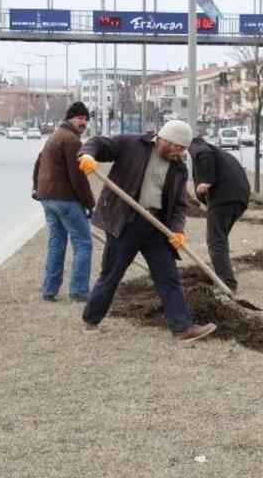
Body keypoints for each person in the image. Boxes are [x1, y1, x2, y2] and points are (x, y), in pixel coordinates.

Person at [76, 120, 217, 342]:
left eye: (184, 150)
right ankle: (90, 320)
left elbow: (180, 204)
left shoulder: (179, 167)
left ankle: (183, 328)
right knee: (112, 275)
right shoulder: (131, 144)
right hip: (125, 223)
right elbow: (97, 144)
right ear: (165, 140)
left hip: (156, 227)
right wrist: (87, 155)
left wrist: (177, 230)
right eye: (178, 147)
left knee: (169, 277)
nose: (180, 153)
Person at [31, 102, 95, 303]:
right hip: (64, 199)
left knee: (57, 242)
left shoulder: (55, 136)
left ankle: (49, 290)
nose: (83, 122)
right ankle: (79, 290)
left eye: (86, 119)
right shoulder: (72, 141)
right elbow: (78, 177)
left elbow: (38, 163)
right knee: (83, 242)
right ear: (70, 118)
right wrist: (89, 203)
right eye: (80, 118)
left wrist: (36, 188)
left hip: (47, 198)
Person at [188, 137, 250, 293]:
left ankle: (227, 285)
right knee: (220, 240)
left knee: (216, 242)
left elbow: (203, 154)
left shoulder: (199, 147)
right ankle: (223, 276)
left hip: (223, 199)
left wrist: (206, 181)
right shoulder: (220, 153)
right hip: (240, 199)